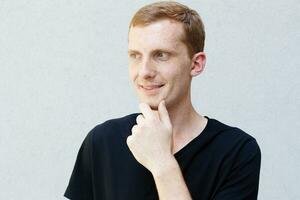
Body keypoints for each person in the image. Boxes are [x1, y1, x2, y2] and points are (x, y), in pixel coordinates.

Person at [64, 1, 261, 200]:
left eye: (161, 55)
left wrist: (162, 163)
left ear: (196, 64)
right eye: (135, 56)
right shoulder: (102, 141)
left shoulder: (237, 151)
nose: (144, 72)